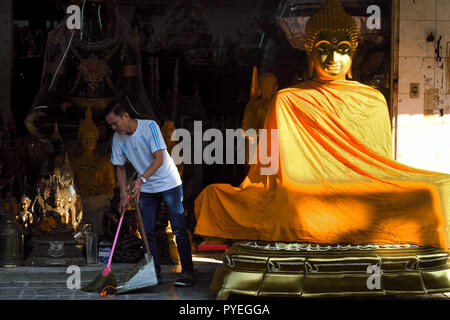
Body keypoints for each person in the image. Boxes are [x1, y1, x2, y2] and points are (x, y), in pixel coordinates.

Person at [194, 0, 450, 249]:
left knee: (440, 189)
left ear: (353, 54)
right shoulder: (289, 99)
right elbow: (269, 166)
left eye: (343, 49)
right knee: (219, 197)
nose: (333, 57)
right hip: (299, 191)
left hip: (363, 188)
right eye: (325, 47)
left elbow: (378, 167)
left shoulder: (372, 100)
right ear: (309, 51)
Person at [105, 100, 195, 287]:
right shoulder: (117, 139)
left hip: (168, 183)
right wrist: (123, 196)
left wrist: (140, 180)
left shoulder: (149, 127)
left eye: (116, 123)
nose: (114, 128)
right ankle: (154, 274)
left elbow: (159, 158)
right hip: (146, 189)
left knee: (178, 228)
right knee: (146, 231)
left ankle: (187, 272)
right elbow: (119, 168)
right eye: (111, 125)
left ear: (126, 116)